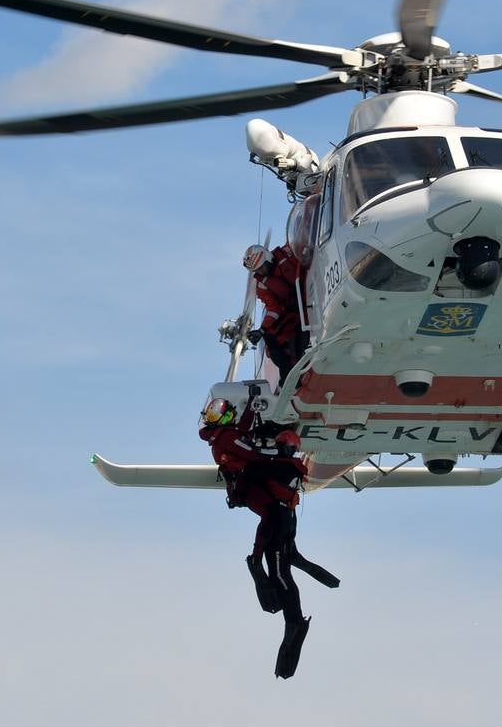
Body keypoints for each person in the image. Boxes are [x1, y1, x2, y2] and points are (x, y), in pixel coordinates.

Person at [199, 396, 340, 679]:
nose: (213, 418)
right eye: (212, 413)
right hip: (284, 517)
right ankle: (295, 614)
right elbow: (250, 446)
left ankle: (295, 621)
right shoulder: (285, 464)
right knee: (284, 566)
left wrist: (256, 556)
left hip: (277, 518)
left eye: (218, 414)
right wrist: (252, 409)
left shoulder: (234, 444)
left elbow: (252, 454)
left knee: (279, 573)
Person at [242, 244, 308, 387]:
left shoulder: (288, 253)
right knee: (272, 338)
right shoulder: (262, 285)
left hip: (311, 295)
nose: (262, 272)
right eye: (258, 270)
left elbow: (306, 253)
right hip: (294, 312)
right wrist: (262, 330)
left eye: (262, 267)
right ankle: (289, 375)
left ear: (267, 257)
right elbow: (273, 308)